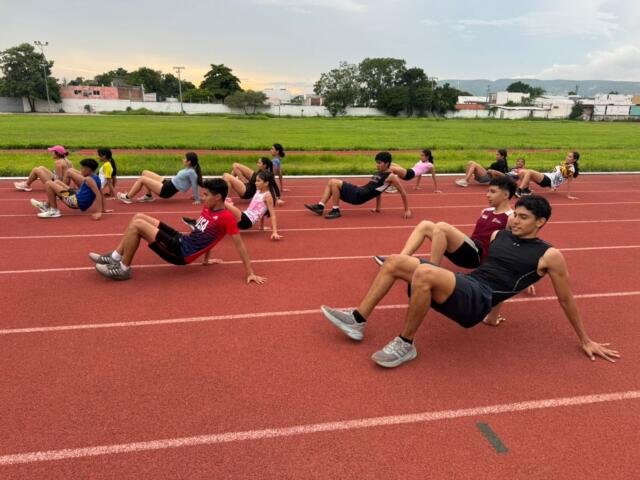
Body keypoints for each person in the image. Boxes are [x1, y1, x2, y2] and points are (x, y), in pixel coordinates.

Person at [320, 195, 619, 368]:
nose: (515, 221)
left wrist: (585, 339)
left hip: (475, 302)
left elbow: (564, 299)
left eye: (524, 218)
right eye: (515, 215)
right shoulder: (498, 235)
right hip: (468, 286)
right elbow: (503, 273)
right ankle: (357, 319)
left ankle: (406, 344)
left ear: (540, 222)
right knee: (396, 262)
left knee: (424, 271)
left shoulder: (550, 256)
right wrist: (495, 317)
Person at [89, 179, 266, 283]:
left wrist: (250, 272)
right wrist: (206, 259)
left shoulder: (227, 217)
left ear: (218, 197)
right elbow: (206, 235)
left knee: (138, 227)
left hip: (182, 253)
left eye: (206, 194)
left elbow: (239, 246)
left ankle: (123, 269)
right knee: (138, 216)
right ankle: (114, 257)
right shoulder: (208, 208)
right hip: (183, 240)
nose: (202, 197)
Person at [304, 152, 412, 219]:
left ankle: (335, 211)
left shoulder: (391, 176)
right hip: (359, 191)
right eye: (376, 162)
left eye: (379, 163)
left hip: (359, 196)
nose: (377, 165)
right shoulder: (379, 172)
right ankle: (320, 206)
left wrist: (406, 209)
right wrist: (377, 208)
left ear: (387, 163)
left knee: (334, 182)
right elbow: (378, 192)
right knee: (331, 182)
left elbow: (403, 193)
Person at [183, 171, 283, 241]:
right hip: (243, 215)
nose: (255, 183)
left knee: (221, 201)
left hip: (246, 221)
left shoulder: (268, 196)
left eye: (258, 181)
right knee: (220, 211)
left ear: (266, 183)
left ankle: (197, 223)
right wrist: (261, 227)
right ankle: (199, 225)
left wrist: (274, 232)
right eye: (256, 180)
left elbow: (272, 214)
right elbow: (261, 210)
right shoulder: (259, 191)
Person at [29, 158, 104, 220]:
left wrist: (99, 212)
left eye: (82, 168)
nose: (80, 170)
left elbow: (98, 194)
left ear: (87, 169)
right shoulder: (96, 178)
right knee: (57, 182)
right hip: (75, 196)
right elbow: (100, 192)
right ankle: (46, 205)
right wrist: (104, 209)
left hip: (75, 202)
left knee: (49, 183)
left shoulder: (89, 179)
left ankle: (54, 210)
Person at [117, 152, 202, 204]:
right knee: (145, 172)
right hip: (167, 183)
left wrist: (197, 198)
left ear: (189, 162)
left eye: (185, 159)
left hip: (167, 190)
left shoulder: (191, 172)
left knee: (142, 179)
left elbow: (195, 184)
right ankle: (148, 196)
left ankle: (127, 197)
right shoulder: (189, 169)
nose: (183, 159)